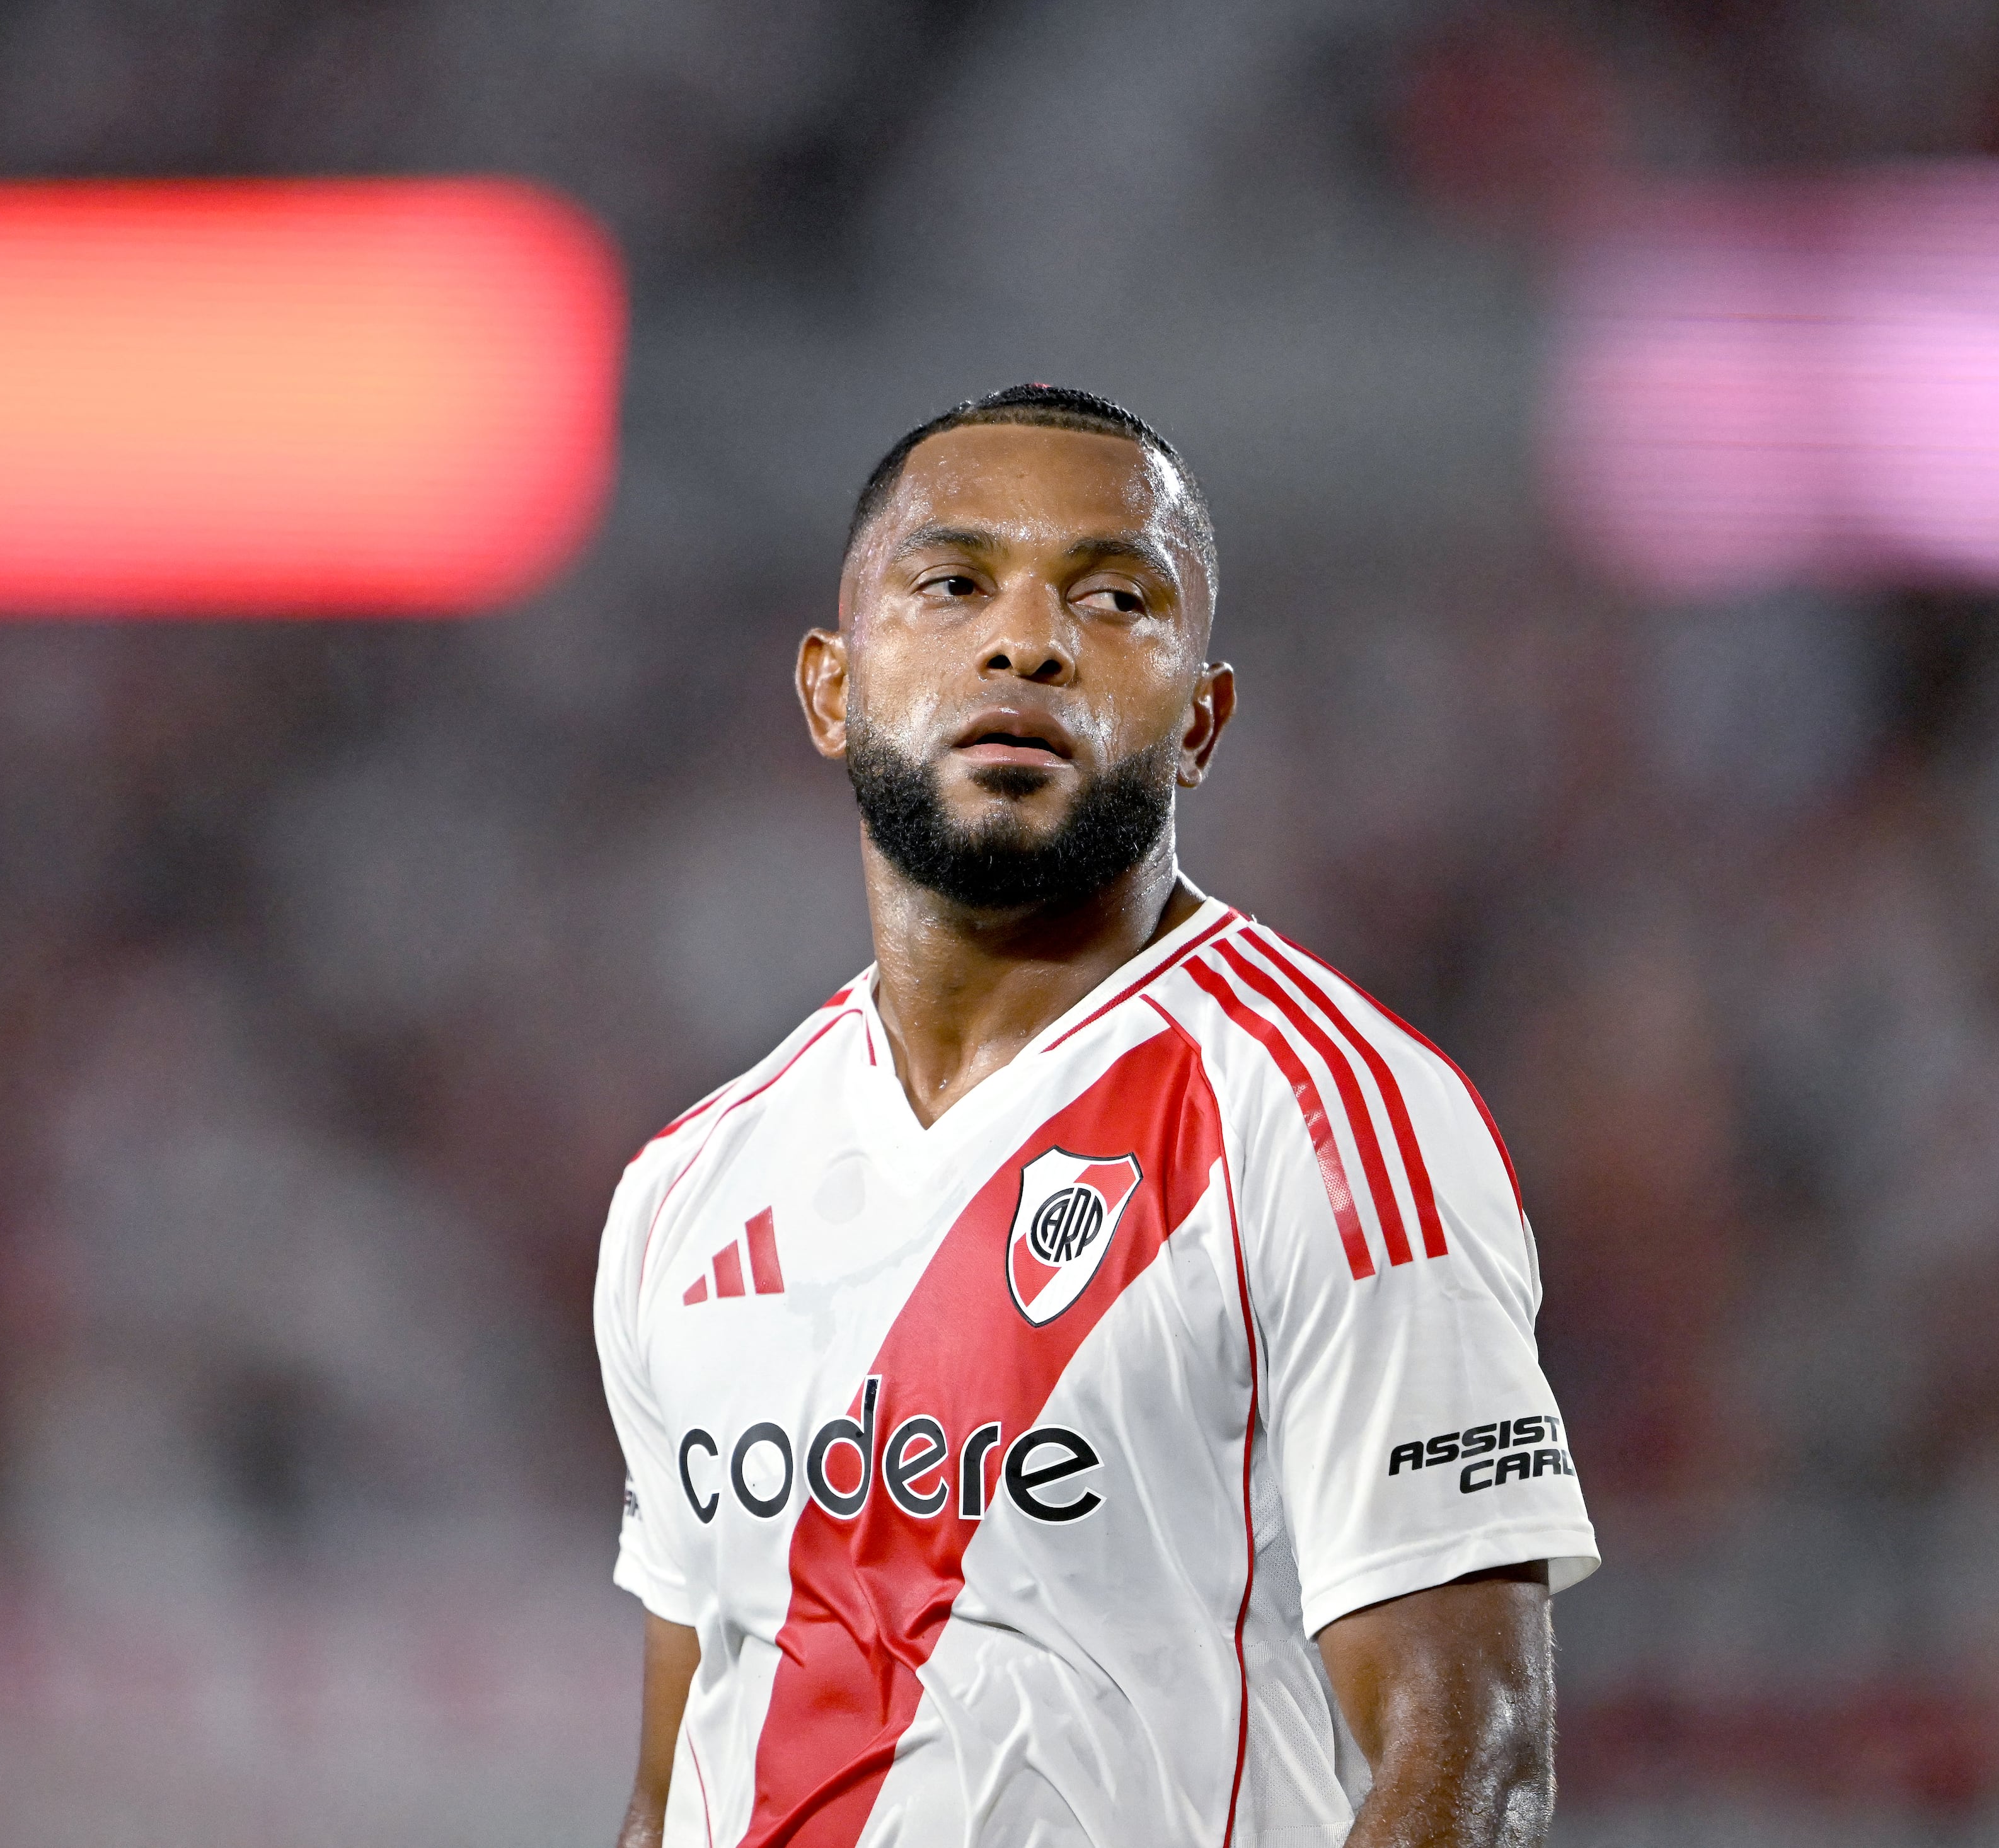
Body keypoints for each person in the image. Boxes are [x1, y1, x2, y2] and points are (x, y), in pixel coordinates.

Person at [595, 386, 1596, 1848]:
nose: (1027, 641)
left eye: (1114, 597)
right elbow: (670, 1783)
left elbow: (1470, 1758)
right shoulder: (686, 1188)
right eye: (952, 582)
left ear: (1200, 720)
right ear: (829, 688)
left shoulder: (1327, 1118)